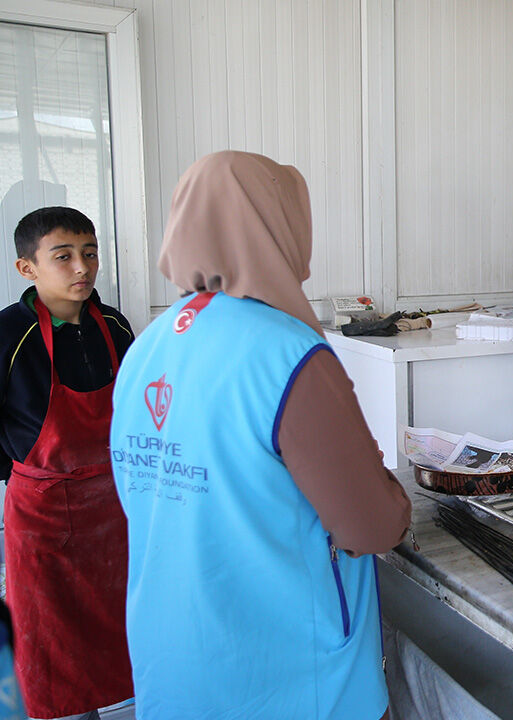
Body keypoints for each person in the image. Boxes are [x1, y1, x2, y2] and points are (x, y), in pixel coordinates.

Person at [109, 151, 411, 719]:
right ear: (277, 227)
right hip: (290, 679)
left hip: (176, 665)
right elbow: (372, 526)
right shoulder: (288, 353)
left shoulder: (146, 346)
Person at [0, 206, 134, 720]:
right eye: (64, 256)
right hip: (43, 517)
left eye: (90, 253)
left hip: (113, 512)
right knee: (54, 646)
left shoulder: (115, 325)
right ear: (27, 269)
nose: (82, 267)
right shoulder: (10, 334)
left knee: (117, 636)